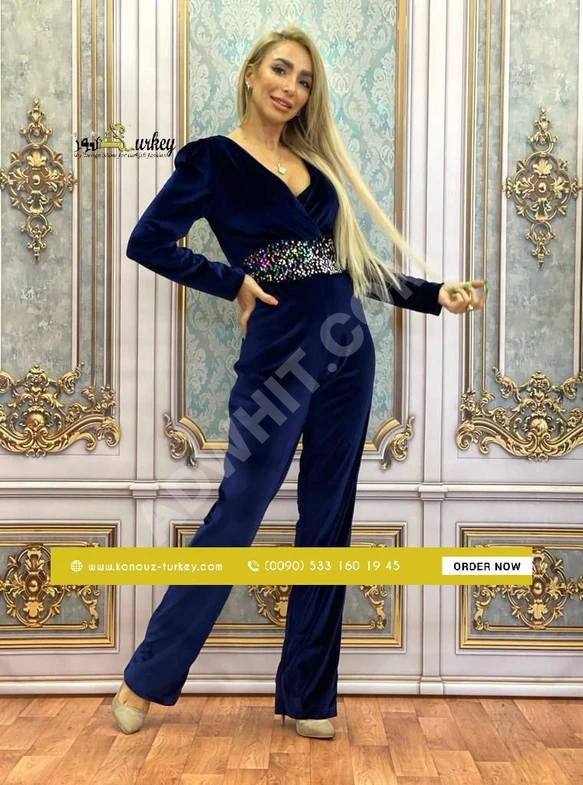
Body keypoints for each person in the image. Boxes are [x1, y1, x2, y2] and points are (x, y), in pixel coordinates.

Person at [113, 27, 488, 740]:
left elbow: (348, 266)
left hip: (348, 353)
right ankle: (145, 677)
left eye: (304, 80)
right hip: (279, 360)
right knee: (238, 514)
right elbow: (147, 241)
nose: (291, 87)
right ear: (251, 74)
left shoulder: (312, 166)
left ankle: (309, 697)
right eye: (281, 71)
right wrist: (232, 281)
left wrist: (434, 294)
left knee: (327, 524)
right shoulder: (211, 159)